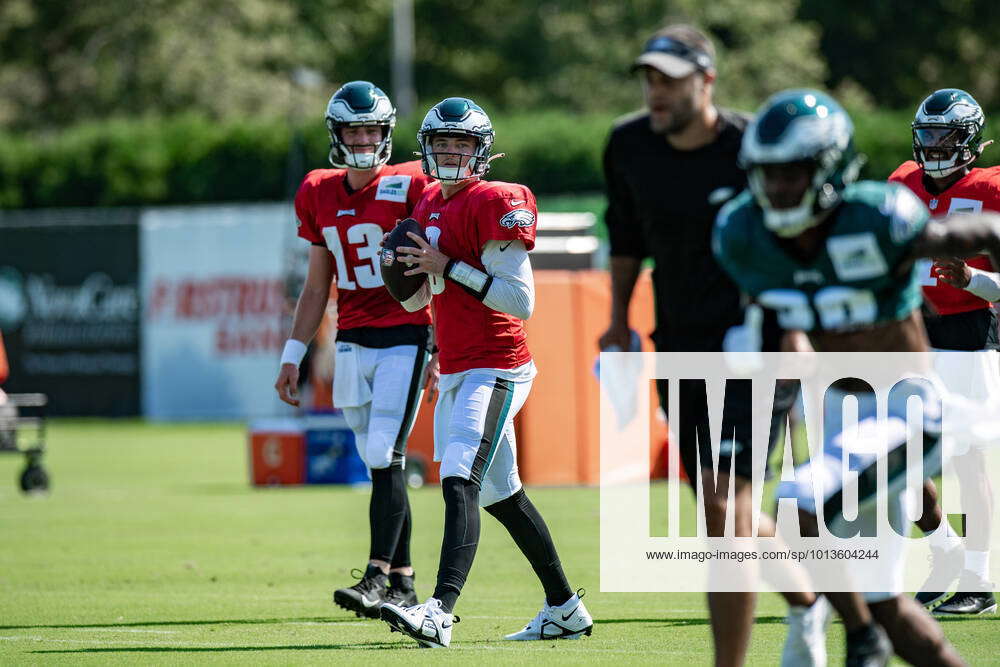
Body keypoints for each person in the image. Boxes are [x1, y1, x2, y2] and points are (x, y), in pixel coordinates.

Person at [713, 87, 986, 666]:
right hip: (845, 418)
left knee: (802, 499)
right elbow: (770, 331)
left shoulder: (877, 216)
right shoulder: (747, 235)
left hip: (910, 407)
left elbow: (958, 237)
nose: (779, 188)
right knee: (889, 603)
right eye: (768, 175)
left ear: (829, 168)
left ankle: (858, 635)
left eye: (793, 173)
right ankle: (869, 628)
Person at [600, 24, 816, 667]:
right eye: (649, 79)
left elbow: (795, 242)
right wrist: (616, 322)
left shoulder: (754, 146)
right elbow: (625, 239)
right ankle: (818, 607)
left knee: (724, 507)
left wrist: (799, 334)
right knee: (728, 511)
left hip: (759, 343)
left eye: (670, 79)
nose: (656, 92)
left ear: (707, 80)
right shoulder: (627, 145)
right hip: (680, 347)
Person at [377, 97, 592, 648]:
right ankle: (565, 608)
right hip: (456, 366)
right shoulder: (426, 200)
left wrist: (446, 266)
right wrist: (402, 276)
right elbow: (420, 300)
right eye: (442, 143)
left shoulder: (496, 200)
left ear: (482, 152)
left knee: (457, 478)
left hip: (498, 366)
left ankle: (439, 612)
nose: (451, 153)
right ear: (425, 148)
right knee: (504, 496)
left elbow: (520, 301)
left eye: (462, 144)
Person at [274, 81, 435, 619]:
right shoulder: (318, 189)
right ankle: (405, 584)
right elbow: (317, 287)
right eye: (354, 129)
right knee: (379, 463)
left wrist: (443, 348)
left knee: (384, 453)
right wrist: (292, 354)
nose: (364, 139)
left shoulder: (414, 183)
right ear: (336, 134)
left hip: (406, 335)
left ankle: (374, 576)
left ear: (387, 133)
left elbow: (440, 268)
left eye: (372, 129)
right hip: (351, 338)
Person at [888, 88, 1000, 615]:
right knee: (894, 455)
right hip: (909, 331)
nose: (933, 145)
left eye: (944, 136)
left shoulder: (991, 188)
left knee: (966, 458)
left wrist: (972, 277)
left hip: (969, 330)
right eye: (927, 135)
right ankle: (944, 548)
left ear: (969, 139)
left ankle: (978, 577)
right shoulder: (902, 183)